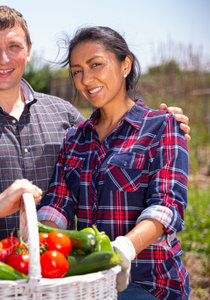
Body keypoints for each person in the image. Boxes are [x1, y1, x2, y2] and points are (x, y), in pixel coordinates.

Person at [0, 6, 190, 241]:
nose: (3, 59)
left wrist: (160, 129)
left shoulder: (64, 114)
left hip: (59, 273)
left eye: (13, 46)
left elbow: (115, 145)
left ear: (28, 51)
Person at [37, 26, 190, 299]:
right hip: (91, 282)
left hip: (149, 283)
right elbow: (58, 202)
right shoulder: (75, 138)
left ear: (125, 65)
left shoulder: (162, 126)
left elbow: (166, 205)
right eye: (77, 71)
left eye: (96, 65)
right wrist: (40, 232)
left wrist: (125, 249)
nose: (86, 79)